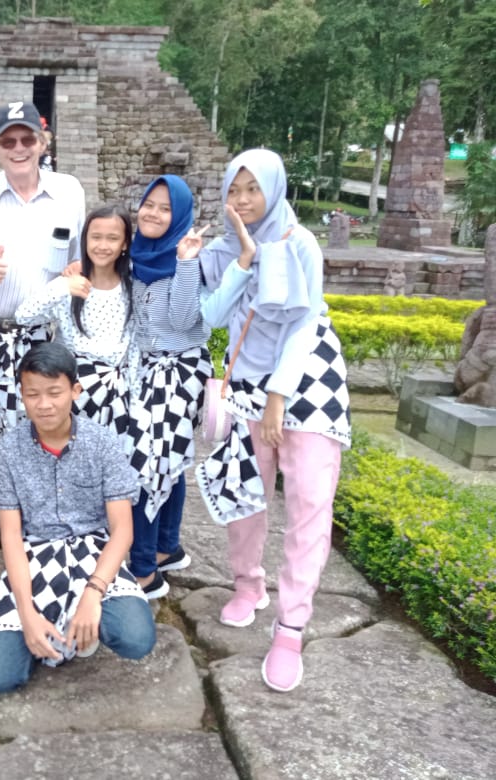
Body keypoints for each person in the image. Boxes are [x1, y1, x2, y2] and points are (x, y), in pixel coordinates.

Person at [195, 149, 351, 693]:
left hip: (307, 379)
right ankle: (248, 585)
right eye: (233, 190)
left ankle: (290, 627)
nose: (241, 200)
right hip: (247, 378)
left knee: (309, 500)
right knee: (245, 490)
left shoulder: (299, 242)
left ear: (274, 189)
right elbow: (211, 318)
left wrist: (278, 398)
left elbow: (305, 324)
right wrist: (242, 258)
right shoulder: (222, 249)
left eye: (252, 189)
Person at [0, 342, 155, 694]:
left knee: (136, 638)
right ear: (22, 395)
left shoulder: (102, 442)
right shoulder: (10, 448)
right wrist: (26, 614)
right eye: (33, 394)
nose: (44, 404)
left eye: (54, 392)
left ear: (75, 390)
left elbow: (122, 530)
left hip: (93, 550)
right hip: (35, 553)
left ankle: (80, 623)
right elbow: (11, 535)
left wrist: (93, 593)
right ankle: (53, 632)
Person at [0, 100, 85, 438]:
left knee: (28, 440)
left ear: (43, 142)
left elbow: (82, 260)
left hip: (35, 336)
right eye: (8, 141)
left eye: (28, 139)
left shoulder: (69, 192)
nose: (19, 148)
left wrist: (78, 269)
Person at [125, 175, 211, 600]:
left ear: (180, 217)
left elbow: (181, 321)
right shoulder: (138, 254)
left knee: (145, 462)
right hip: (145, 367)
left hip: (179, 370)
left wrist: (186, 262)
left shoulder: (188, 258)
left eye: (166, 209)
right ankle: (166, 546)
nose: (154, 214)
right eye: (149, 204)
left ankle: (143, 570)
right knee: (168, 461)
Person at [15, 203, 134, 434]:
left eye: (112, 238)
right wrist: (61, 289)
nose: (102, 246)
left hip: (115, 395)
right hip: (72, 392)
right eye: (95, 237)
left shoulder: (132, 286)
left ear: (125, 243)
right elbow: (23, 315)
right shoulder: (69, 285)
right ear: (85, 240)